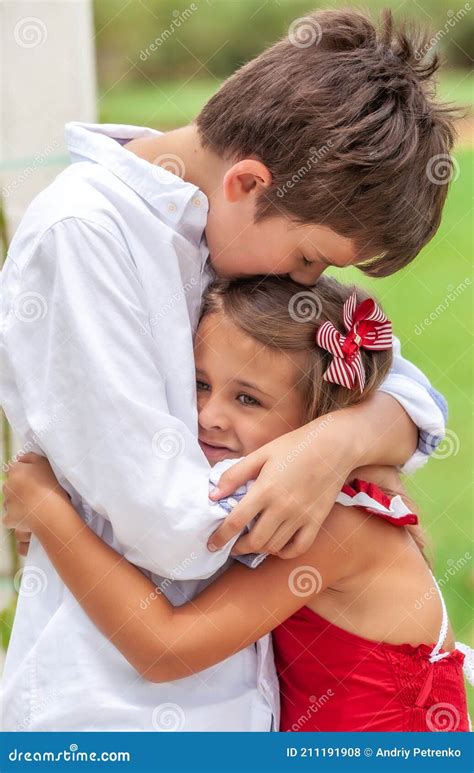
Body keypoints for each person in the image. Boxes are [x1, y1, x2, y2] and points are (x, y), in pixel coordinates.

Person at [0, 9, 453, 730]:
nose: (309, 285)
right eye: (311, 259)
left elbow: (400, 389)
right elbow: (175, 529)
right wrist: (339, 466)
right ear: (248, 182)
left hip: (240, 707)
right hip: (111, 712)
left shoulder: (223, 232)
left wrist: (328, 447)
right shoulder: (87, 238)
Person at [4, 276, 471, 732]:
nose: (209, 416)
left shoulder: (336, 525)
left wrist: (49, 512)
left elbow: (166, 650)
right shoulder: (294, 499)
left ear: (316, 421)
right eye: (200, 384)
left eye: (248, 399)